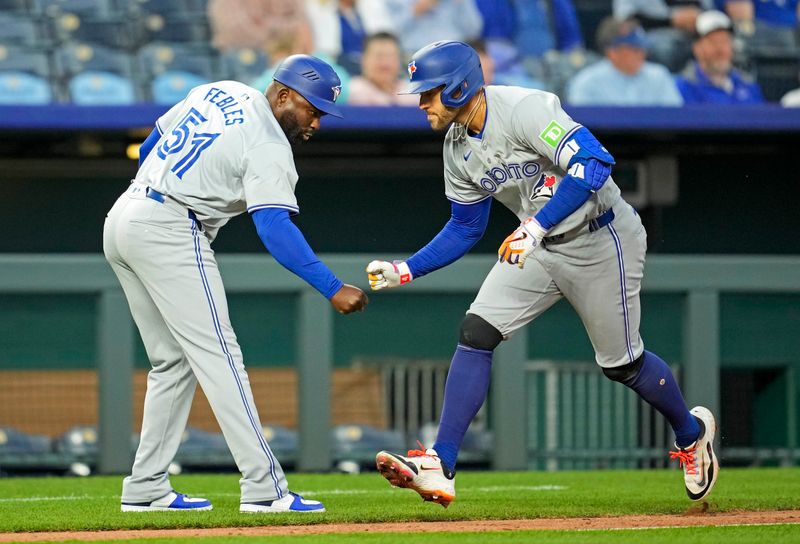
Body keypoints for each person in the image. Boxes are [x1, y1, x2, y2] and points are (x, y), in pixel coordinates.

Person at [367, 40, 718, 508]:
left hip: (600, 235)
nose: (422, 103)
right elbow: (465, 227)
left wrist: (534, 227)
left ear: (458, 87)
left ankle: (691, 434)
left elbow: (594, 163)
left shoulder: (524, 108)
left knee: (622, 365)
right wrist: (406, 269)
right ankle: (441, 464)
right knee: (477, 331)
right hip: (537, 243)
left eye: (429, 92)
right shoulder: (455, 147)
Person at [104, 55, 368, 513]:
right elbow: (274, 227)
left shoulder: (221, 89)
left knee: (173, 362)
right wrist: (331, 286)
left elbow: (152, 144)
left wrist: (163, 191)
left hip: (125, 214)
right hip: (170, 226)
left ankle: (146, 487)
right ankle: (265, 489)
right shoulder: (269, 143)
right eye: (313, 110)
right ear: (283, 95)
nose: (316, 123)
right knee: (221, 357)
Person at [566, 17, 683, 106]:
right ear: (612, 52)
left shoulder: (659, 76)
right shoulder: (587, 82)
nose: (642, 54)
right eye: (634, 49)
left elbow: (676, 119)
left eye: (643, 48)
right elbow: (579, 128)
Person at [675, 10, 764, 104]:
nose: (720, 49)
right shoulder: (682, 87)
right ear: (697, 48)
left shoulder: (748, 85)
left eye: (725, 41)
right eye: (713, 42)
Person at [349, 32, 421, 106]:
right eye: (379, 56)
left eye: (391, 57)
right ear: (364, 60)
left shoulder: (410, 91)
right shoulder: (356, 90)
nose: (385, 63)